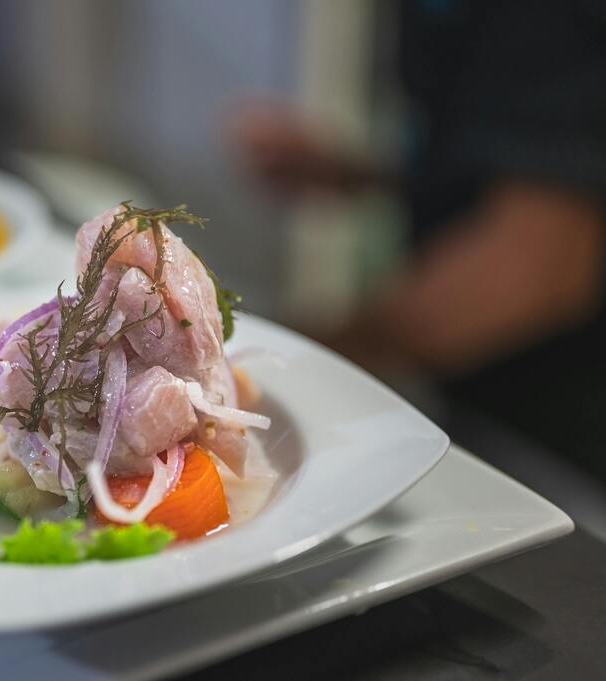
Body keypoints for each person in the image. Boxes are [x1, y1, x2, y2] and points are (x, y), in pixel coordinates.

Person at [233, 0, 606, 475]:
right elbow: (503, 155)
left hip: (559, 442)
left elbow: (535, 269)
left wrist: (282, 362)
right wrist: (358, 174)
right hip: (470, 397)